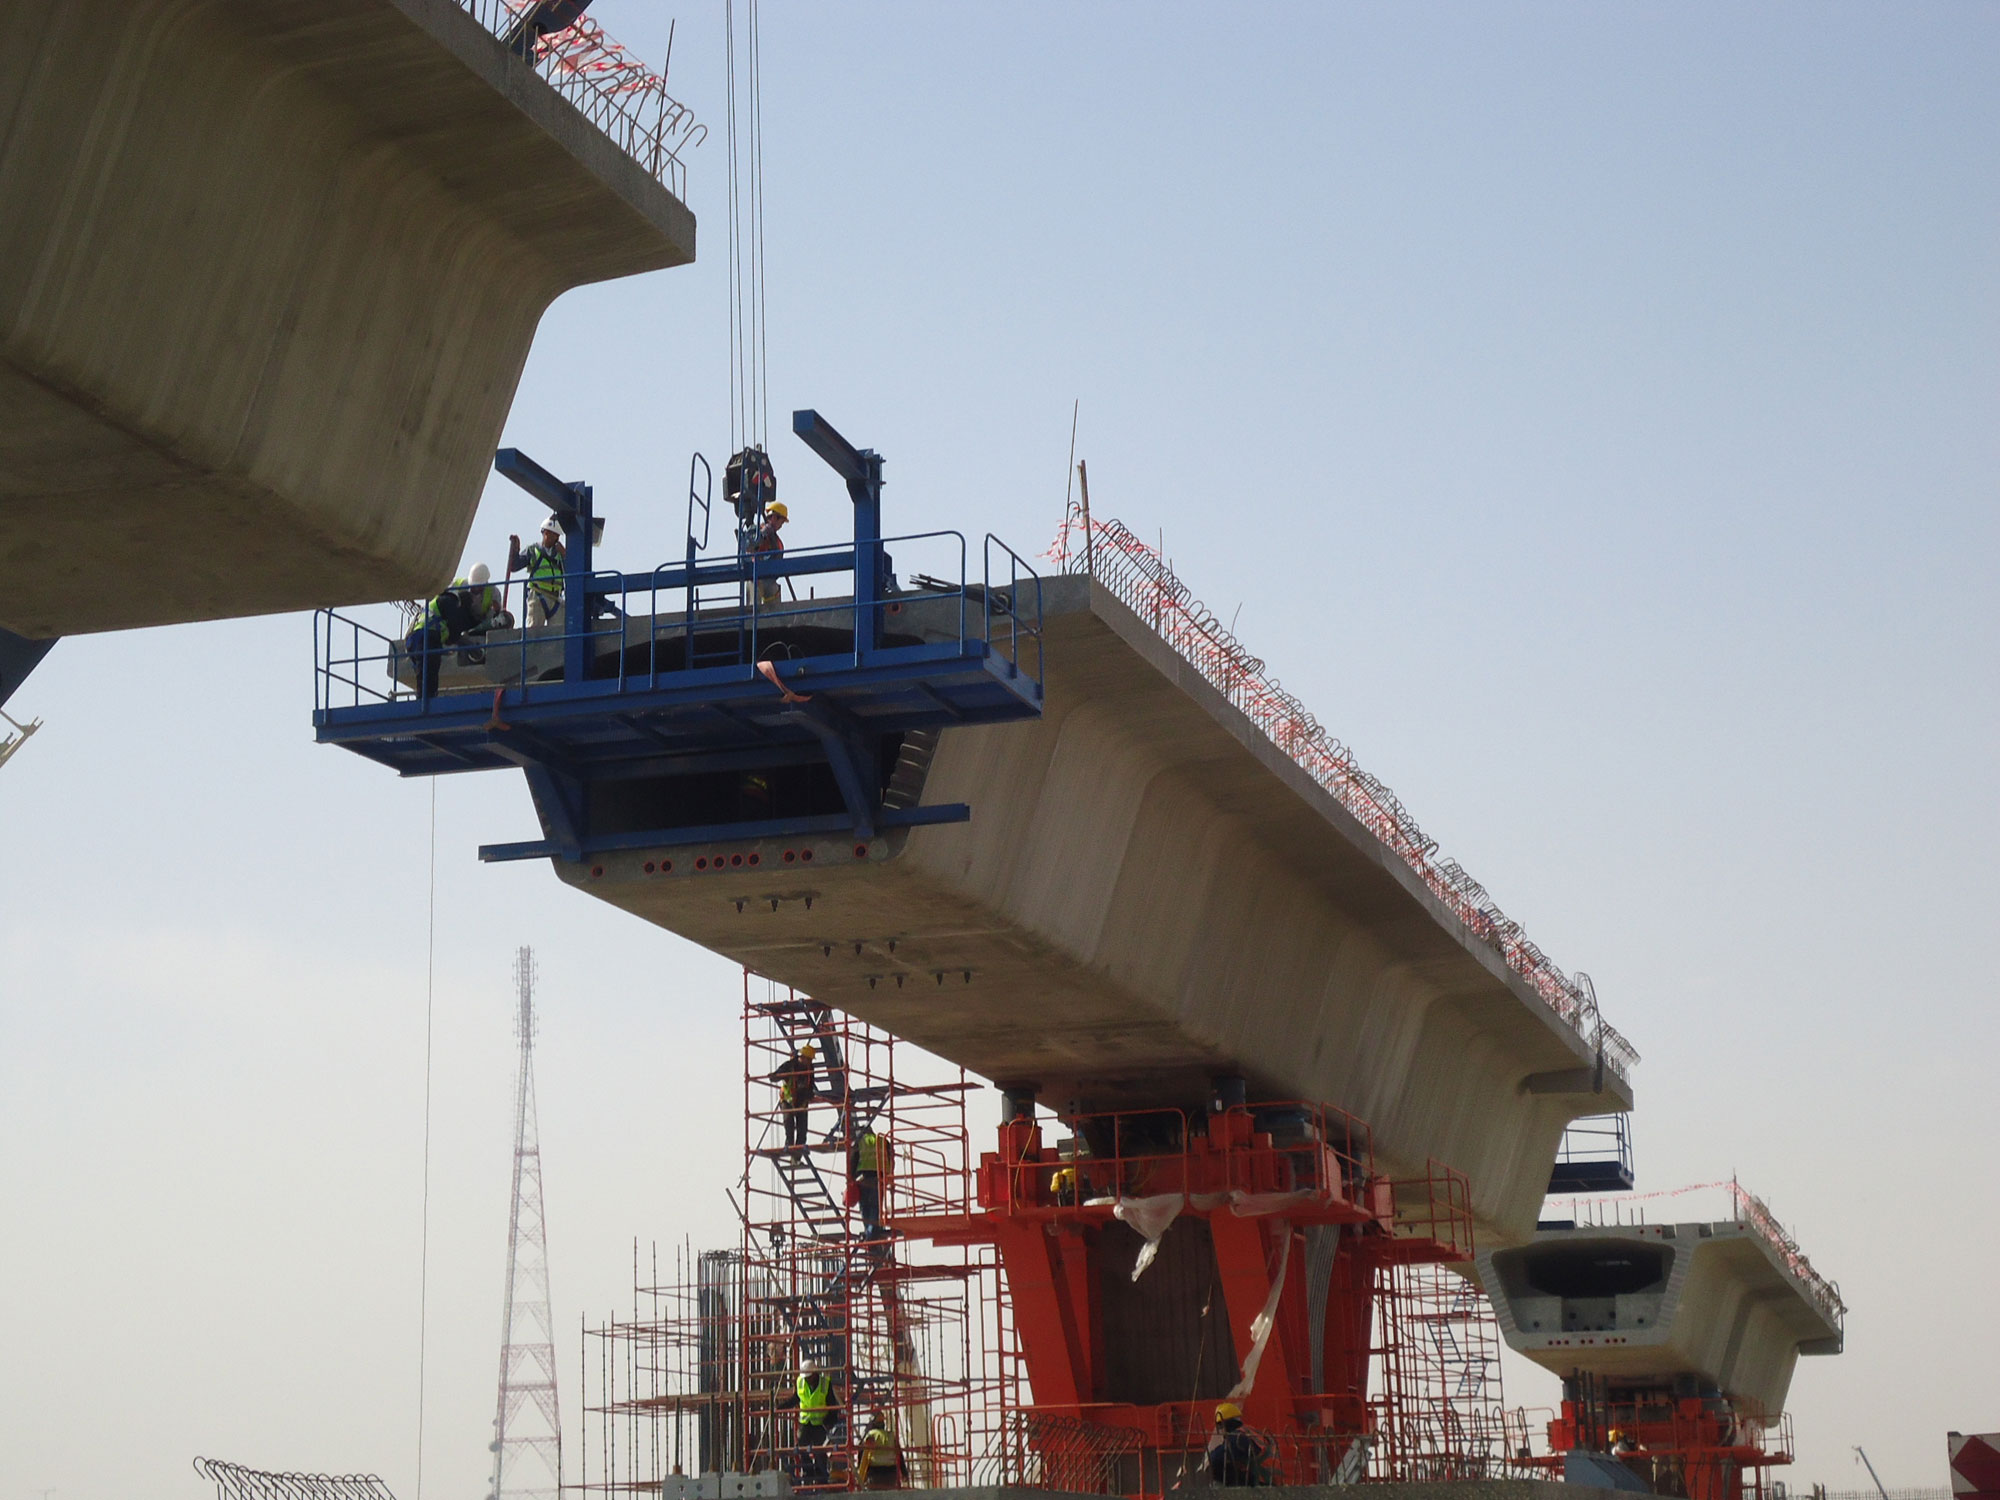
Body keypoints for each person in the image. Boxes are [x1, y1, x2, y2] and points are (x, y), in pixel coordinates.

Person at [404, 564, 503, 699]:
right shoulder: (450, 601)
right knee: (429, 670)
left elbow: (495, 613)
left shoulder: (491, 593)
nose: (475, 589)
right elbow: (455, 625)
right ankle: (426, 703)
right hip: (426, 636)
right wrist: (461, 641)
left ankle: (425, 701)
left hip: (421, 637)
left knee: (426, 672)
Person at [784, 1360, 838, 1486]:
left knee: (820, 1451)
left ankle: (820, 1477)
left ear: (815, 1374)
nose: (807, 1379)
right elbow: (796, 1398)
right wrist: (782, 1407)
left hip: (820, 1424)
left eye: (809, 1377)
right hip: (806, 1422)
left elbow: (831, 1403)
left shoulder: (825, 1383)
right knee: (802, 1448)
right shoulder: (800, 1382)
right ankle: (808, 1472)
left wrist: (830, 1420)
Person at [507, 516, 567, 626]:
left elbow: (572, 572)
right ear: (546, 533)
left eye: (558, 536)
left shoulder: (560, 554)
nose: (557, 539)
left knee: (557, 638)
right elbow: (514, 566)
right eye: (555, 535)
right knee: (534, 633)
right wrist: (515, 550)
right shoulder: (533, 550)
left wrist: (565, 554)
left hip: (556, 599)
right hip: (538, 596)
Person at [1205, 1402, 1272, 1488]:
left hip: (1262, 1480)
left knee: (1216, 1467)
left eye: (1220, 1426)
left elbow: (1216, 1457)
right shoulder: (1249, 1430)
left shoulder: (1237, 1437)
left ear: (1224, 1423)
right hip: (1272, 1476)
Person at [772, 1042, 818, 1149]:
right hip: (788, 1100)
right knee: (789, 1125)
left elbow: (810, 1084)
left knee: (802, 1131)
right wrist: (775, 1076)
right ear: (802, 1057)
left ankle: (796, 1157)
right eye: (809, 1059)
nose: (810, 1062)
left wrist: (809, 1095)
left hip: (801, 1102)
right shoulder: (790, 1065)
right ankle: (789, 1147)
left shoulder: (809, 1068)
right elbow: (779, 1073)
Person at [750, 501, 788, 607]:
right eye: (782, 521)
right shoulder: (762, 532)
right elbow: (753, 547)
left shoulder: (775, 539)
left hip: (769, 579)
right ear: (774, 517)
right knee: (754, 610)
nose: (781, 525)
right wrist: (763, 535)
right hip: (759, 578)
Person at [852, 1124, 887, 1233]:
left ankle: (870, 1232)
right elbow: (891, 1158)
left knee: (865, 1209)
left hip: (865, 1180)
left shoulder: (860, 1142)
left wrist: (850, 1178)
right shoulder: (883, 1141)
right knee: (875, 1209)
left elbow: (854, 1161)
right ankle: (872, 1232)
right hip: (880, 1180)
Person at [859, 1413, 903, 1490]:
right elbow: (899, 1454)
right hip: (891, 1473)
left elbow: (862, 1453)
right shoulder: (891, 1435)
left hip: (875, 1472)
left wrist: (860, 1474)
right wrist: (904, 1472)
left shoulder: (871, 1435)